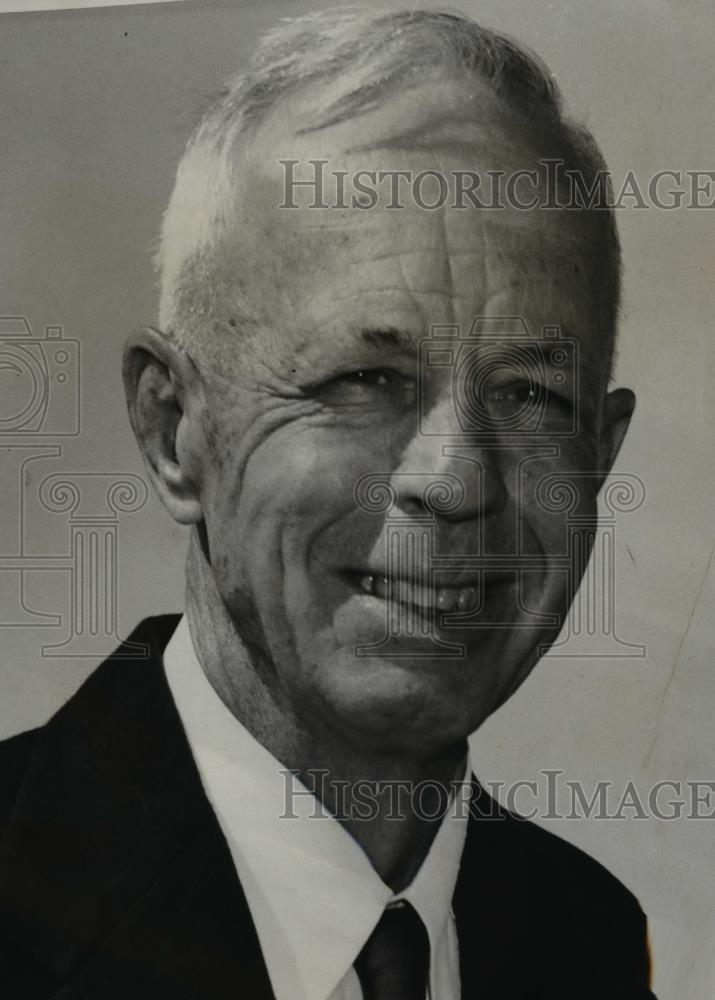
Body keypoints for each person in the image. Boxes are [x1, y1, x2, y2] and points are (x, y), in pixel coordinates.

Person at [0, 9, 655, 999]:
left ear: (599, 455)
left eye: (530, 395)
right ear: (175, 431)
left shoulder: (587, 939)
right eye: (363, 379)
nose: (454, 480)